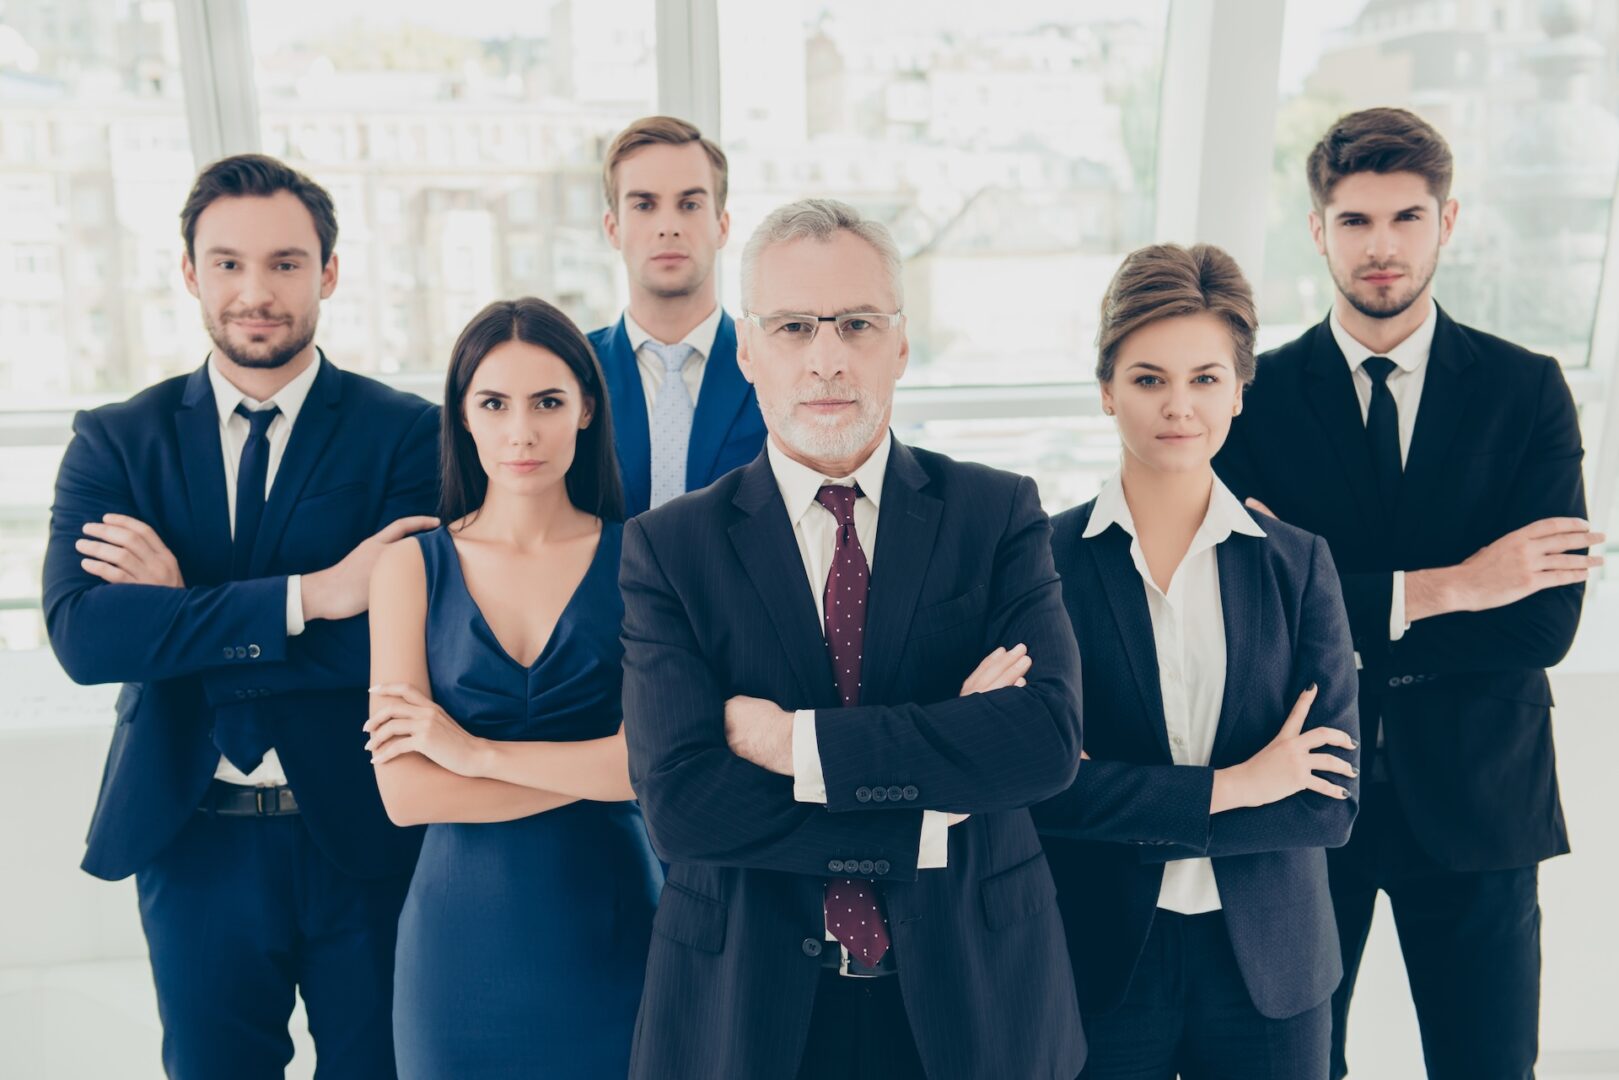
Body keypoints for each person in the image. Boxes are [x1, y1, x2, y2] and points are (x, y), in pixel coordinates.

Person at [619, 197, 1087, 1080]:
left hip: (974, 1002)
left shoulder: (996, 514)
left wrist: (792, 743)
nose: (827, 358)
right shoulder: (669, 548)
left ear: (900, 344)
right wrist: (928, 807)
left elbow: (1043, 744)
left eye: (857, 324)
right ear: (747, 352)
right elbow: (681, 805)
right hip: (748, 1013)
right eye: (793, 326)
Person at [1214, 107, 1598, 1080]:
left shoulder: (1525, 391)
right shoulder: (1249, 396)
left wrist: (1335, 608)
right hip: (1302, 794)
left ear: (1447, 221)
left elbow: (1543, 624)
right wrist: (1465, 585)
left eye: (1404, 218)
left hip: (1479, 798)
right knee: (1293, 1066)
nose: (1379, 247)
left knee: (1486, 1067)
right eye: (1353, 221)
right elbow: (1242, 615)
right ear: (1315, 229)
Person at [41, 153, 440, 1078]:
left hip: (365, 837)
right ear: (189, 272)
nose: (255, 291)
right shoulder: (116, 440)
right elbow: (86, 638)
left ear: (328, 273)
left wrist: (179, 616)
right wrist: (316, 595)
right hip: (192, 836)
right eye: (227, 263)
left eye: (286, 263)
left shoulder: (407, 435)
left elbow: (401, 642)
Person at [1034, 243, 1360, 1079]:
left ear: (1239, 390)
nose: (1177, 406)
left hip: (1271, 972)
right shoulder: (1043, 564)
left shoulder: (1297, 566)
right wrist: (1244, 783)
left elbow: (1326, 806)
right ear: (1105, 390)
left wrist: (1121, 794)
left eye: (1205, 378)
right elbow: (1039, 793)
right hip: (1100, 964)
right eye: (1148, 379)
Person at [364, 297, 660, 1079]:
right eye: (493, 403)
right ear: (462, 415)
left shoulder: (645, 560)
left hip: (612, 927)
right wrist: (597, 769)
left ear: (586, 410)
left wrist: (471, 753)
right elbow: (407, 795)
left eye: (548, 402)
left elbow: (653, 763)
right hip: (457, 948)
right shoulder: (409, 567)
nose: (520, 432)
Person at [590, 115, 766, 515]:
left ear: (721, 226)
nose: (668, 226)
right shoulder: (569, 370)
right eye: (644, 205)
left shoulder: (775, 364)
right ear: (612, 228)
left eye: (689, 204)